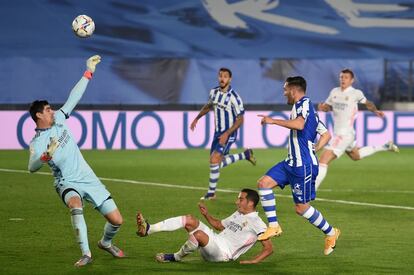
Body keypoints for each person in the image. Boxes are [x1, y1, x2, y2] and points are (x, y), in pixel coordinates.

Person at [28, 56, 124, 267]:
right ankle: (86, 254)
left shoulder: (59, 119)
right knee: (75, 204)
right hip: (67, 182)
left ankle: (105, 243)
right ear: (38, 115)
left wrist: (88, 72)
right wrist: (44, 157)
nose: (52, 111)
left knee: (117, 221)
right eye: (47, 110)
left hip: (87, 177)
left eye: (51, 108)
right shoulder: (37, 142)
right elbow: (31, 167)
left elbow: (74, 97)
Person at [256, 76, 340, 256]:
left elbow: (300, 125)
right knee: (263, 184)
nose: (284, 93)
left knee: (301, 208)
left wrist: (273, 121)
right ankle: (273, 226)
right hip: (291, 162)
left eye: (285, 90)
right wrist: (315, 148)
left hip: (303, 166)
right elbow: (326, 134)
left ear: (293, 90)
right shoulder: (304, 108)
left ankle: (331, 233)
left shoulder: (305, 103)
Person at [136, 188, 272, 264]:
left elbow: (269, 248)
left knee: (199, 235)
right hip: (215, 240)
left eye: (240, 199)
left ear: (250, 203)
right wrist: (207, 215)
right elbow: (219, 225)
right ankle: (149, 229)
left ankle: (175, 257)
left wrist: (254, 261)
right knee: (189, 219)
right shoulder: (238, 213)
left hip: (223, 254)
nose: (236, 202)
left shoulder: (258, 223)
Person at [316, 69, 399, 190]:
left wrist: (376, 111)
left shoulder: (355, 93)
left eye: (345, 77)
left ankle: (311, 192)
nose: (343, 79)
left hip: (344, 134)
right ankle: (385, 146)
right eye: (341, 77)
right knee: (356, 156)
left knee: (323, 159)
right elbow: (328, 107)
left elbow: (368, 103)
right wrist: (323, 107)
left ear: (352, 80)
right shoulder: (334, 92)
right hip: (343, 133)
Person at [190, 68, 256, 200]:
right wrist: (197, 118)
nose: (222, 78)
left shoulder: (234, 97)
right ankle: (245, 154)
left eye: (225, 76)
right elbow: (208, 106)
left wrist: (227, 133)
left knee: (214, 160)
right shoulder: (213, 92)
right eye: (220, 76)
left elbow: (240, 119)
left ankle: (211, 193)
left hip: (229, 134)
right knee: (216, 163)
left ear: (230, 79)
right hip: (217, 133)